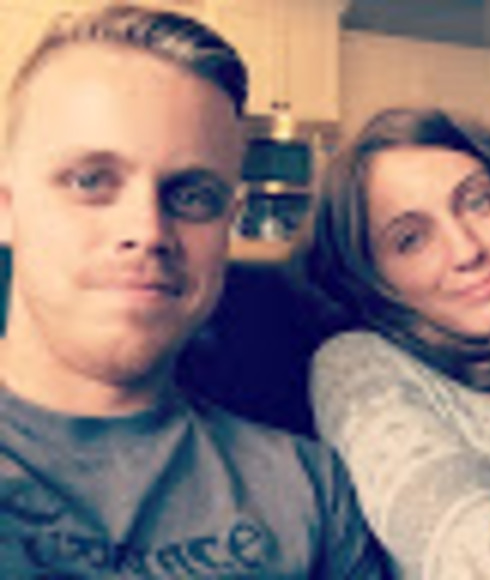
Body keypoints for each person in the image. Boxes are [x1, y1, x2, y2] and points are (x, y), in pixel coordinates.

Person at [0, 3, 389, 576]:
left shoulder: (311, 491)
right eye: (91, 180)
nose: (148, 231)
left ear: (228, 223)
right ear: (7, 206)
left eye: (192, 196)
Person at [301, 106, 490, 578]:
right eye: (411, 240)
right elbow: (487, 566)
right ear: (369, 278)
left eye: (478, 202)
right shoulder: (359, 366)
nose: (468, 250)